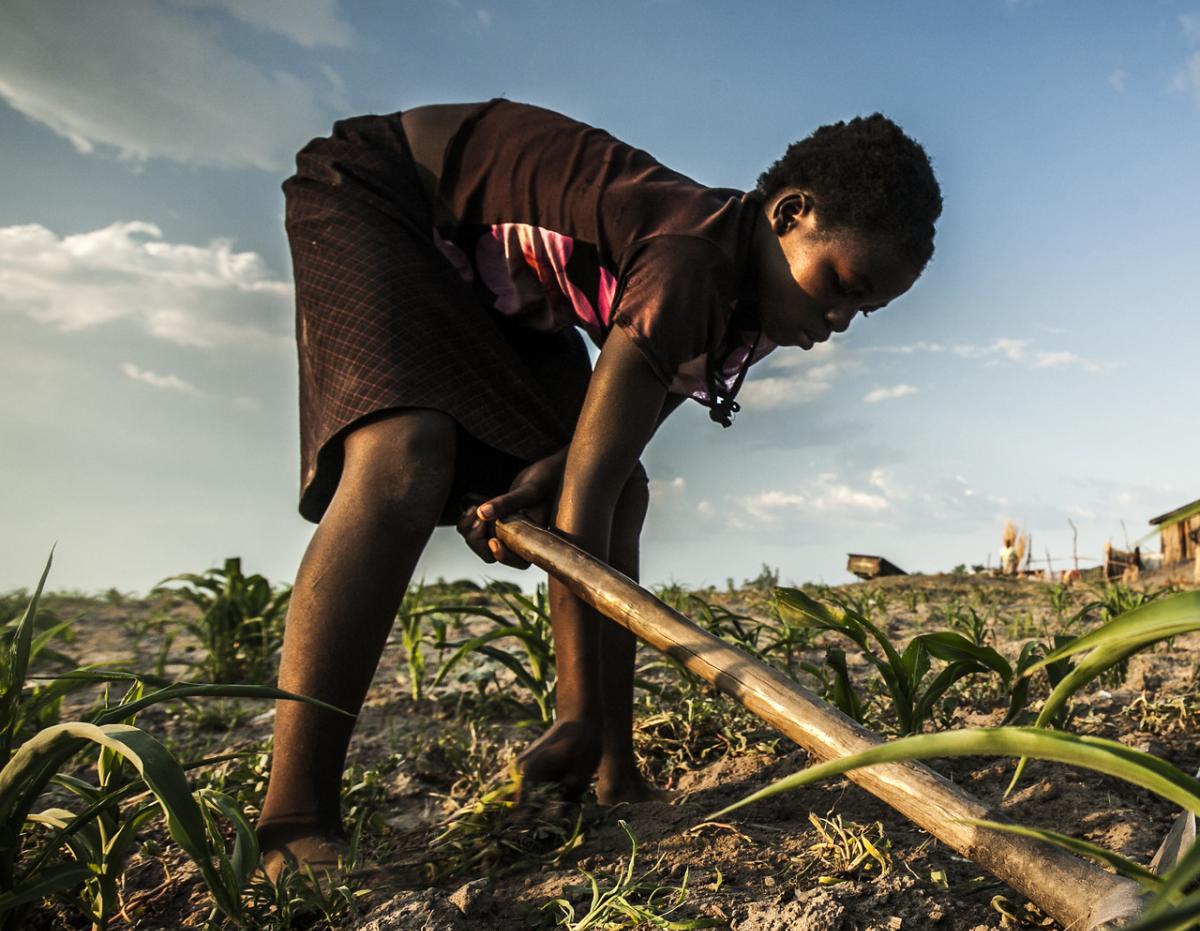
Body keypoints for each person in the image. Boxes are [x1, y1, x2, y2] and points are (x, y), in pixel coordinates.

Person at [258, 99, 941, 881]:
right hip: (386, 193)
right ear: (790, 214)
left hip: (499, 294)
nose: (842, 320)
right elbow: (589, 477)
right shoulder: (691, 258)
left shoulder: (746, 309)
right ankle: (292, 820)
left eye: (866, 309)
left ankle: (616, 773)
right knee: (407, 456)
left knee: (626, 496)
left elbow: (605, 462)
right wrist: (573, 711)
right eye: (843, 285)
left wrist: (553, 469)